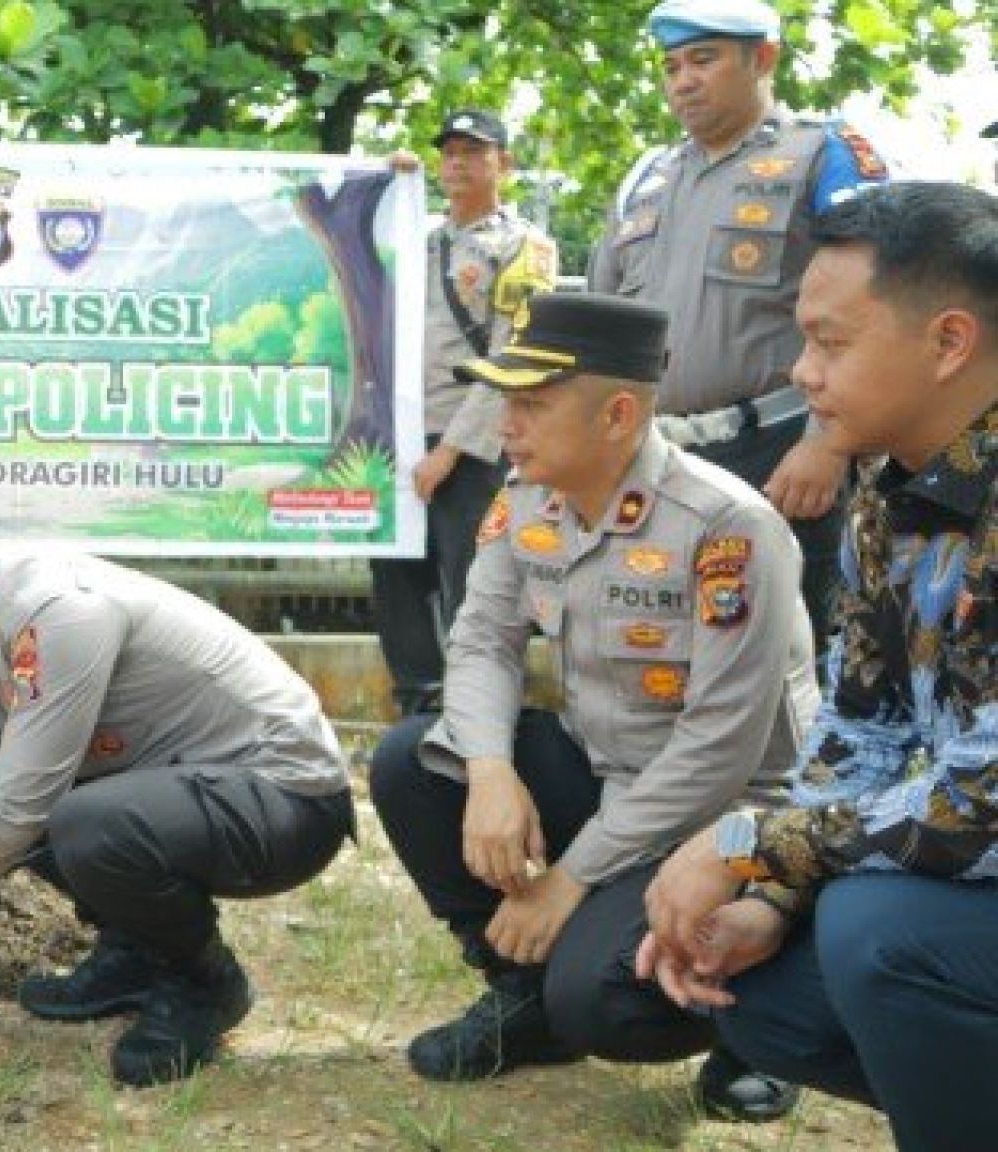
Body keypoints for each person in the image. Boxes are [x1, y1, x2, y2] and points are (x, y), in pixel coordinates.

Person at [367, 293, 817, 1121]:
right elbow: (481, 642)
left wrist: (570, 878)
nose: (507, 424)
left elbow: (719, 751)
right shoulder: (527, 498)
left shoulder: (726, 526)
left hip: (731, 822)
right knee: (414, 763)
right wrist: (490, 771)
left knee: (604, 1003)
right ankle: (522, 990)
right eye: (505, 400)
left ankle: (756, 1017)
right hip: (611, 776)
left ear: (617, 416)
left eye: (532, 404)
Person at [0, 463, 357, 1087]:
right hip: (179, 793)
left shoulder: (55, 612)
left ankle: (203, 982)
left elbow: (19, 802)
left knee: (76, 820)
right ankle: (133, 951)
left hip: (282, 796)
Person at [638, 182, 998, 1152]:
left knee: (876, 933)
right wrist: (770, 895)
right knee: (769, 996)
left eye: (830, 343)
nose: (802, 373)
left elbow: (984, 801)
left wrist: (746, 845)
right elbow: (862, 728)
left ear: (948, 342)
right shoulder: (889, 491)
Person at [588, 0, 890, 657]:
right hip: (655, 455)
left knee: (779, 658)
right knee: (659, 653)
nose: (683, 81)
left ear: (763, 59)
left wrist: (829, 443)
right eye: (671, 66)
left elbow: (876, 309)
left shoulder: (824, 155)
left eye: (703, 60)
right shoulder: (645, 178)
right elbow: (600, 329)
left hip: (779, 453)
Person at [375, 108, 558, 715]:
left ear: (504, 163)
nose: (457, 163)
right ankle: (418, 705)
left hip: (475, 442)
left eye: (473, 152)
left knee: (475, 581)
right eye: (448, 152)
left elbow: (512, 355)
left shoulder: (526, 248)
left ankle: (480, 710)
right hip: (401, 435)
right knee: (396, 578)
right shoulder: (416, 237)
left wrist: (450, 452)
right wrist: (384, 186)